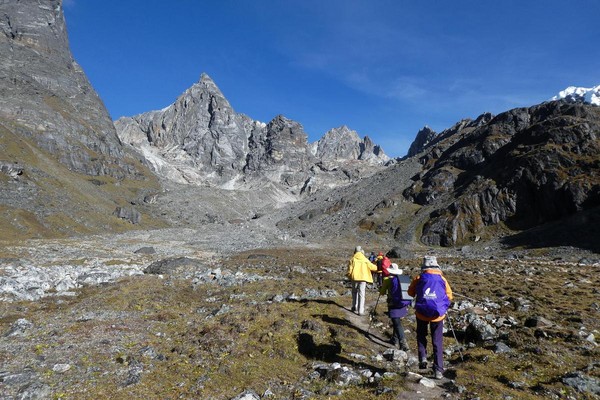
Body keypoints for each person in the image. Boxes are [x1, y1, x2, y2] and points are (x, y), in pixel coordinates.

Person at [407, 256, 453, 380]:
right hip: (438, 316)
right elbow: (449, 296)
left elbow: (410, 293)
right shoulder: (442, 279)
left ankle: (423, 357)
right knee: (437, 341)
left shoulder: (419, 278)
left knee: (421, 335)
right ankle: (438, 370)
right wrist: (442, 305)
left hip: (421, 313)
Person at [379, 263, 411, 351]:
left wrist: (381, 289)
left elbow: (382, 292)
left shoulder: (387, 280)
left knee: (396, 323)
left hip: (393, 303)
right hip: (403, 303)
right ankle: (394, 339)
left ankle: (403, 343)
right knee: (397, 321)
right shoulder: (402, 279)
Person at [346, 246, 378, 316]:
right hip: (363, 279)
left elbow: (349, 271)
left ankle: (354, 306)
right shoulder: (365, 259)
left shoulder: (352, 259)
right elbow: (373, 267)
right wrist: (379, 267)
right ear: (361, 251)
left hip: (354, 278)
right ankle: (360, 310)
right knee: (361, 294)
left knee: (354, 292)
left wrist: (349, 277)